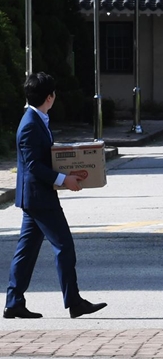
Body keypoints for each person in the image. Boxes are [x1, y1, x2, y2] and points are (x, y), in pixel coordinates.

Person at [4, 72, 107, 320]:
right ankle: (74, 302)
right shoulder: (30, 123)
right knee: (64, 247)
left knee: (26, 251)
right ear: (50, 97)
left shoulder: (37, 118)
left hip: (36, 197)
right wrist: (64, 179)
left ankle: (13, 302)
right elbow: (32, 166)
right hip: (39, 197)